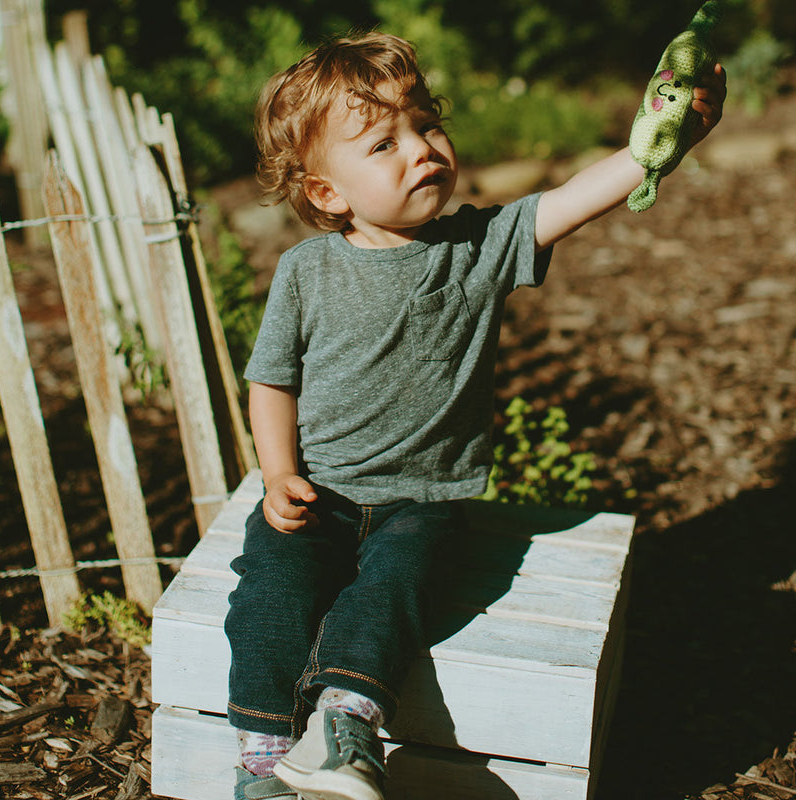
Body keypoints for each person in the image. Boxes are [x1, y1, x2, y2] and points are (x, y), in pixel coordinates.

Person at [225, 31, 726, 800]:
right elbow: (272, 381)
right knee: (267, 593)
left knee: (396, 589)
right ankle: (262, 764)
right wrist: (279, 471)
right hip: (318, 490)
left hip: (422, 501)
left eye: (426, 124)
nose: (420, 148)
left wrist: (661, 144)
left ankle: (343, 720)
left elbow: (572, 201)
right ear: (328, 192)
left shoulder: (478, 245)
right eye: (384, 142)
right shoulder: (306, 272)